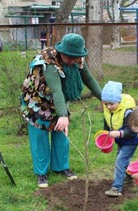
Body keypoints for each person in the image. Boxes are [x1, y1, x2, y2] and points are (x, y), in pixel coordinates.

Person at [21, 33, 102, 188]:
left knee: (61, 132)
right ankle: (41, 172)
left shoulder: (77, 59)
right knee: (40, 135)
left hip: (58, 101)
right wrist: (63, 115)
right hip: (38, 100)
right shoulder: (48, 62)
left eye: (75, 58)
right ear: (61, 52)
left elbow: (89, 80)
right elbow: (57, 90)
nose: (72, 61)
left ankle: (61, 167)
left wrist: (104, 98)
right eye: (69, 57)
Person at [101, 81, 138, 197]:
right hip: (120, 140)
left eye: (111, 104)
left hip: (131, 140)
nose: (108, 107)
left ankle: (116, 188)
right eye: (106, 104)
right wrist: (105, 134)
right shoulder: (108, 109)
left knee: (120, 160)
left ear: (119, 100)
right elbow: (107, 124)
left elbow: (131, 131)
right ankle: (128, 176)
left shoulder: (128, 112)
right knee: (122, 160)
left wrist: (118, 133)